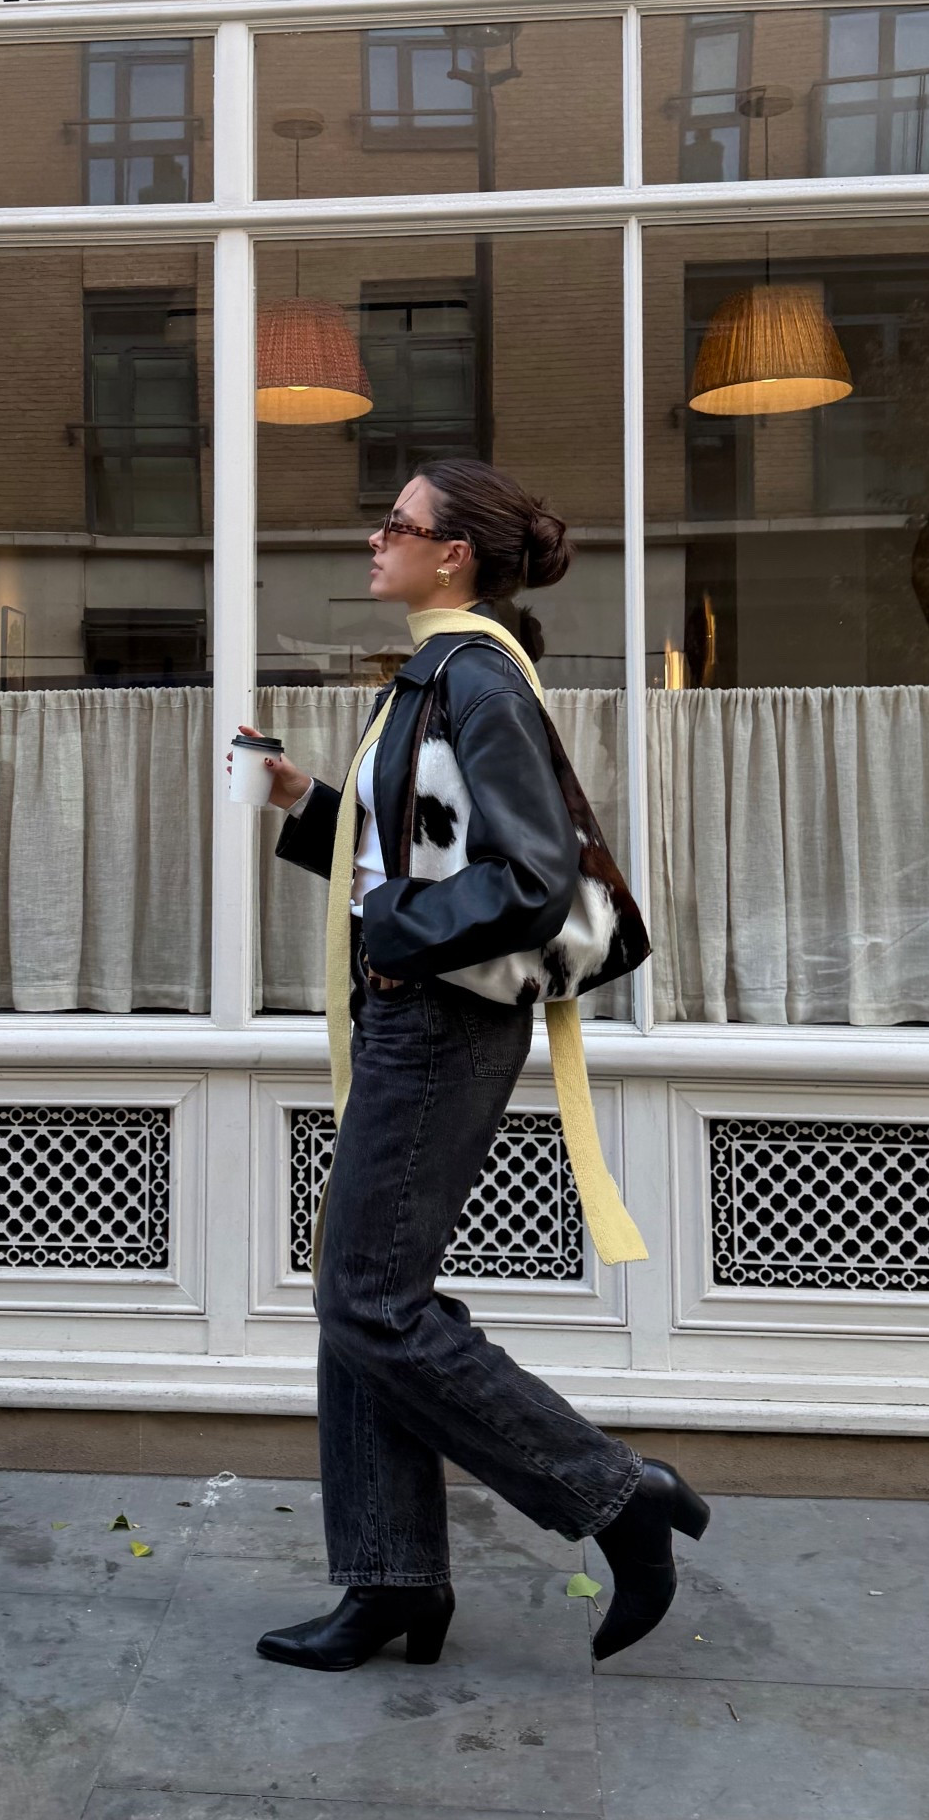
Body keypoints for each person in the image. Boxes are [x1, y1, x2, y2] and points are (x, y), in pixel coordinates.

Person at [230, 458, 708, 1671]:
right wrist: (305, 801)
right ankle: (391, 1578)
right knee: (360, 1300)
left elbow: (533, 878)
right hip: (417, 1018)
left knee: (369, 1298)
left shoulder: (478, 679)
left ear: (454, 555)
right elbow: (423, 850)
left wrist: (394, 941)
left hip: (441, 1023)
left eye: (397, 524)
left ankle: (614, 1493)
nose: (373, 539)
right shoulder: (435, 676)